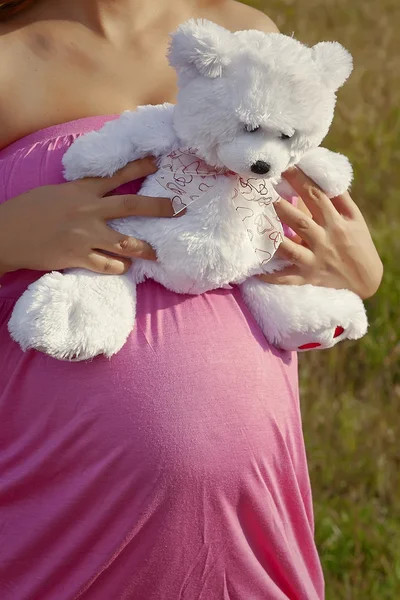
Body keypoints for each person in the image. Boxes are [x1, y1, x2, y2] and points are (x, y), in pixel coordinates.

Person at [0, 1, 383, 599]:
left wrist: (361, 272)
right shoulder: (10, 55)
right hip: (56, 512)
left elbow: (280, 212)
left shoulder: (246, 35)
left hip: (249, 519)